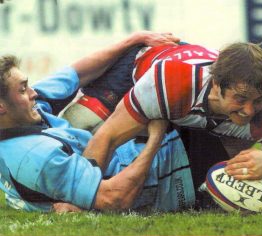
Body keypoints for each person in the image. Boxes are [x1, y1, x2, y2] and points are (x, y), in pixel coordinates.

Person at [62, 41, 262, 203]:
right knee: (80, 125)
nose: (249, 110)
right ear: (217, 84)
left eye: (258, 100)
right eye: (241, 99)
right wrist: (81, 200)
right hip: (137, 69)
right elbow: (108, 137)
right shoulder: (170, 84)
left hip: (192, 113)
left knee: (194, 188)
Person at [0, 31, 197, 212]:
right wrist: (157, 133)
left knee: (147, 52)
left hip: (109, 150)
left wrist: (136, 38)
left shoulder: (23, 114)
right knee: (194, 91)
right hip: (167, 170)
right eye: (23, 89)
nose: (33, 92)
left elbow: (77, 74)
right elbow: (114, 198)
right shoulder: (37, 157)